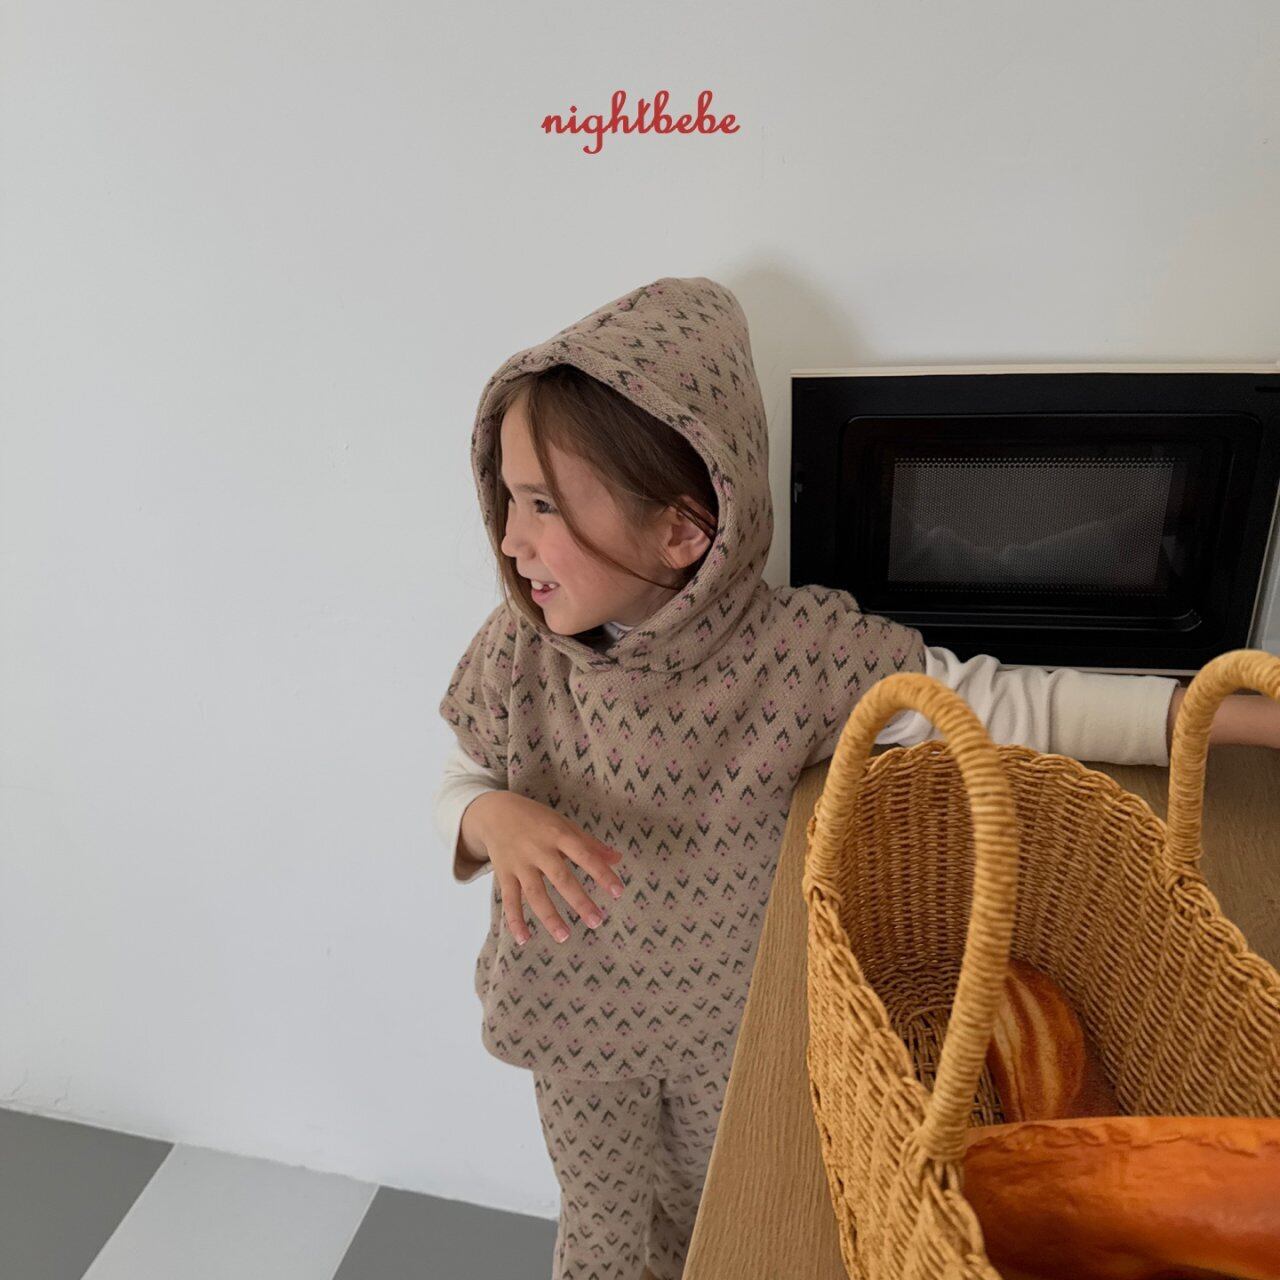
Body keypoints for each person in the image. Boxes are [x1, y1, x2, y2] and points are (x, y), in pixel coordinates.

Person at [433, 276, 1266, 1280]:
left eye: (542, 505)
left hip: (729, 1028)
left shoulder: (797, 653)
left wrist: (1231, 714)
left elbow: (1006, 706)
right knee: (602, 1234)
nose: (509, 539)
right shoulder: (517, 651)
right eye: (508, 497)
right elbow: (462, 777)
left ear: (683, 531)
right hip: (579, 1023)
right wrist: (490, 814)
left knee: (720, 1219)